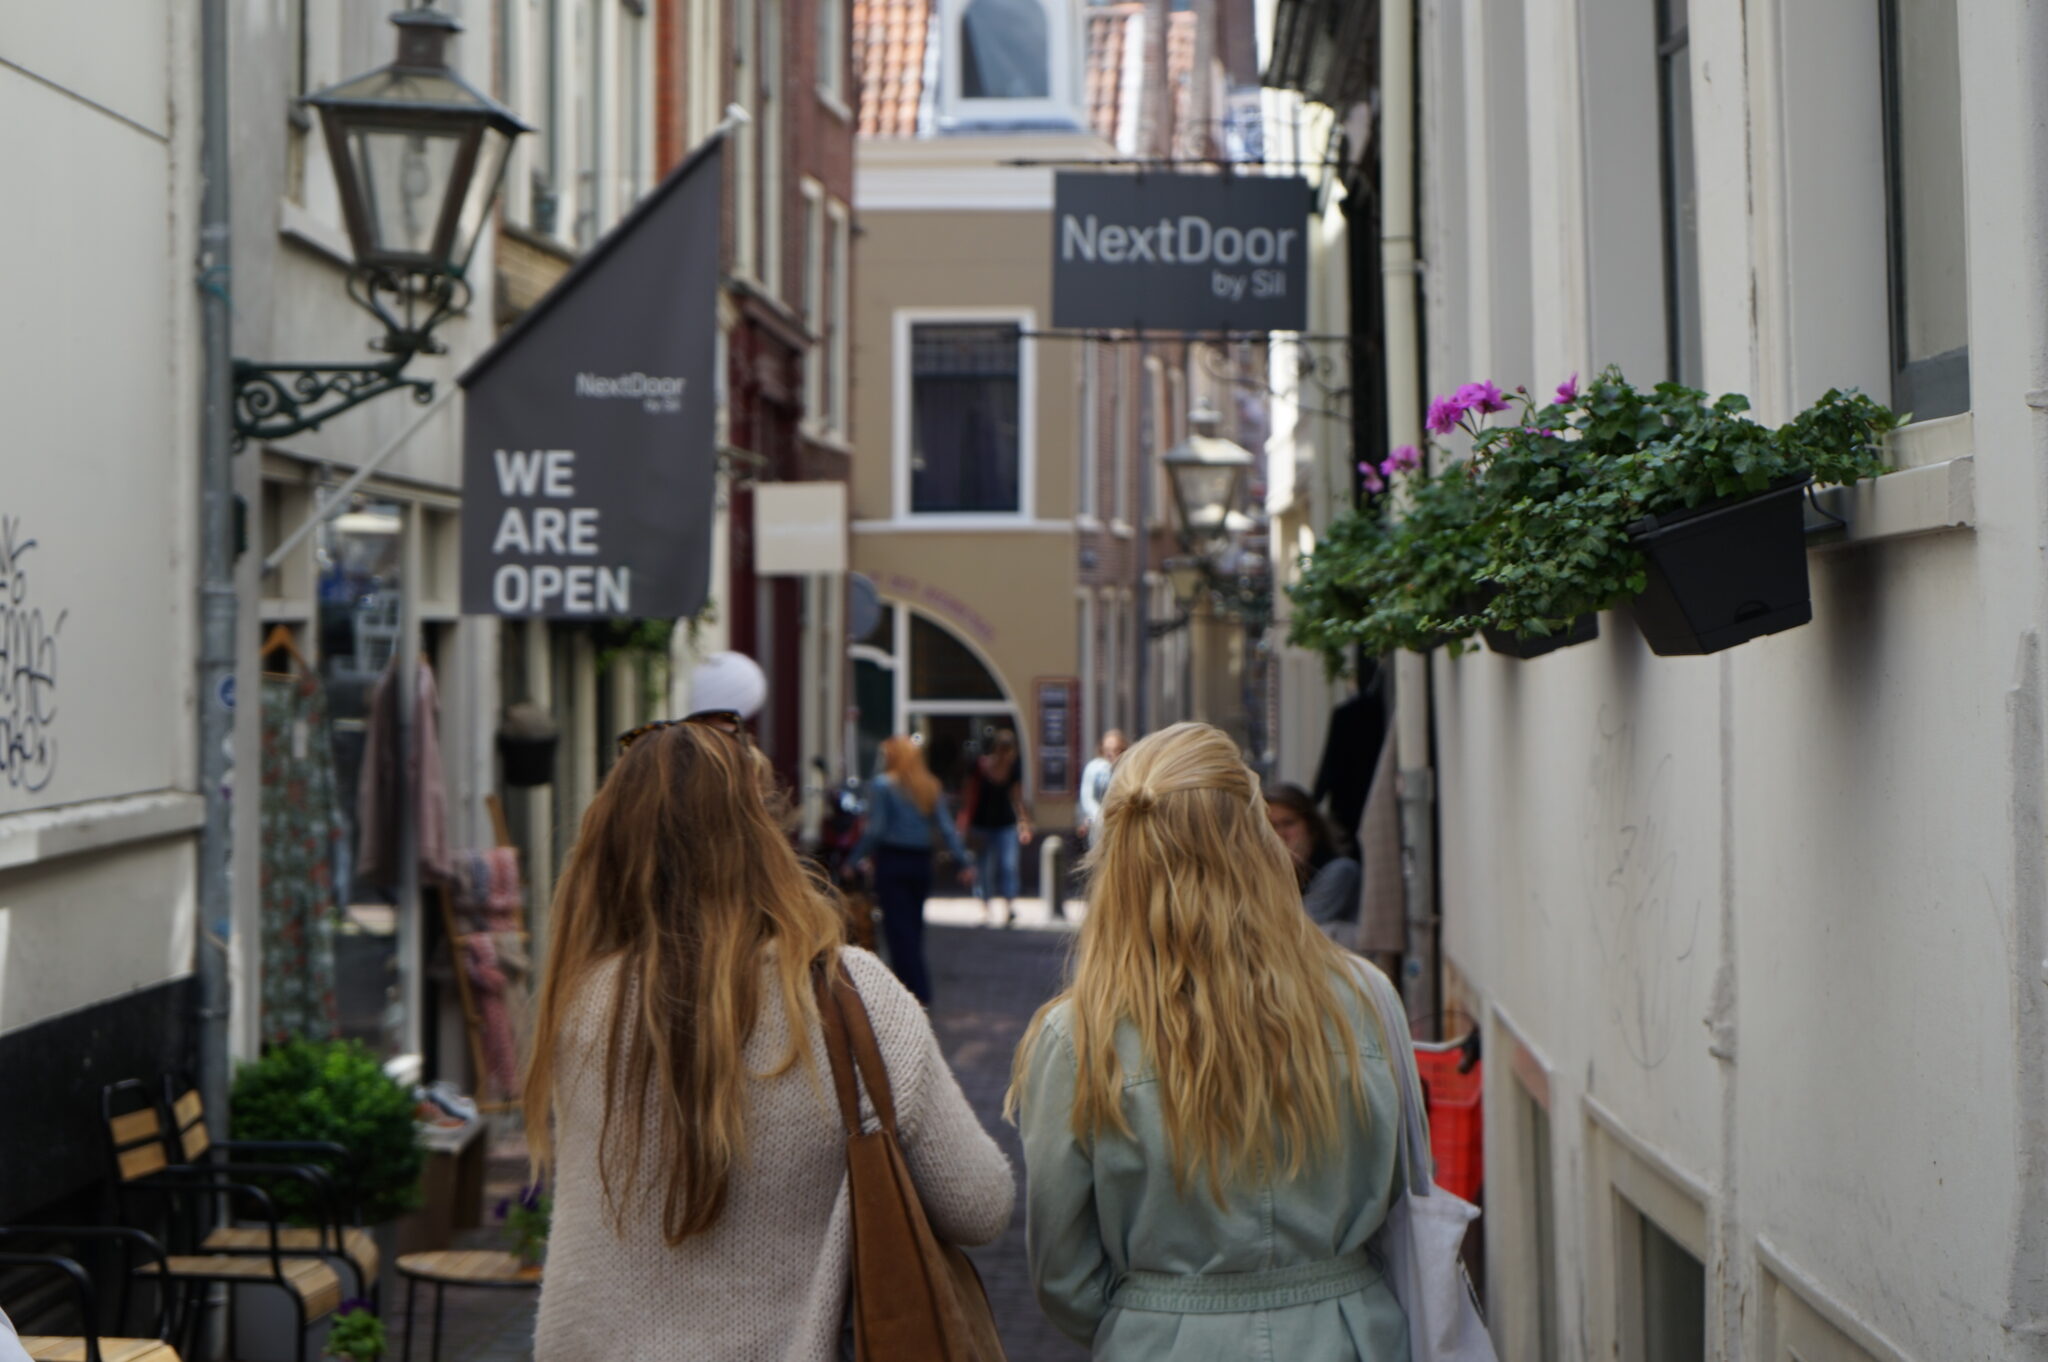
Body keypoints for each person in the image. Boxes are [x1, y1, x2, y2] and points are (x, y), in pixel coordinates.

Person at [525, 715, 1015, 1362]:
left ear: (610, 844)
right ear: (764, 836)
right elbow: (980, 1203)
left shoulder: (582, 1004)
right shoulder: (850, 997)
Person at [1008, 722, 1411, 1360]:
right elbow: (1406, 1195)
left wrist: (1155, 1317)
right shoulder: (1365, 997)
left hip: (1163, 1340)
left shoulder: (1077, 1034)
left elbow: (1063, 1271)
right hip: (1350, 1333)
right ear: (1256, 842)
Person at [850, 736, 976, 1005]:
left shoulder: (883, 786)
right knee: (914, 930)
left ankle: (912, 995)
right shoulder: (929, 785)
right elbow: (946, 828)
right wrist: (964, 862)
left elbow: (876, 829)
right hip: (920, 864)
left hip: (893, 863)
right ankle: (917, 992)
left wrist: (853, 860)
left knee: (898, 932)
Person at [1265, 781, 1365, 944]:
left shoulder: (1341, 871)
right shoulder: (1262, 873)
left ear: (1311, 829)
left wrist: (1288, 872)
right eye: (1272, 826)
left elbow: (1295, 931)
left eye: (1288, 823)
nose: (1280, 835)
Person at [959, 728, 1033, 928]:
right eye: (1004, 750)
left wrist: (1024, 823)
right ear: (997, 749)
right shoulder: (980, 767)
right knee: (984, 867)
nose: (1006, 755)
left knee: (1009, 865)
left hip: (1006, 824)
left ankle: (1009, 906)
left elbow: (1017, 797)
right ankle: (985, 907)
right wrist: (965, 821)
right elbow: (968, 793)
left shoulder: (1013, 769)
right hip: (981, 825)